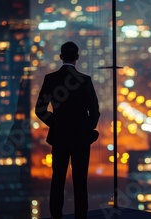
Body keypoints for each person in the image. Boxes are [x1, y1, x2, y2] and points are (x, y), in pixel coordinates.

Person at [35, 41, 100, 219]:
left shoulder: (50, 79)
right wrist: (86, 130)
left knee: (57, 180)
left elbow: (40, 110)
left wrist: (56, 124)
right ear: (77, 58)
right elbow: (94, 111)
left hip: (60, 137)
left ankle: (56, 215)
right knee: (80, 182)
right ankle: (81, 216)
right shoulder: (85, 80)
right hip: (80, 139)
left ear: (61, 57)